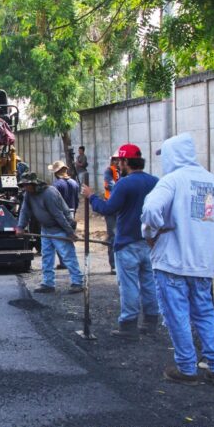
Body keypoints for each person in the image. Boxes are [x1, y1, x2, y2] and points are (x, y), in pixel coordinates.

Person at [142, 133, 214, 386]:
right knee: (204, 312)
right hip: (203, 261)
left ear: (173, 154)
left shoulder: (171, 180)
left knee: (177, 314)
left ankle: (186, 368)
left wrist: (152, 232)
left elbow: (150, 210)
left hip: (172, 260)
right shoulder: (211, 180)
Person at [82, 144, 159, 340]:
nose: (118, 164)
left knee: (129, 285)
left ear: (126, 162)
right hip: (150, 242)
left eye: (120, 161)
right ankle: (151, 321)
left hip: (126, 242)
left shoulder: (125, 184)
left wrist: (92, 197)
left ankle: (128, 324)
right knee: (149, 283)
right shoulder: (155, 182)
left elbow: (108, 209)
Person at [14, 172, 83, 294]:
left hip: (59, 228)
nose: (25, 188)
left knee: (68, 256)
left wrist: (70, 232)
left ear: (34, 184)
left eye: (26, 185)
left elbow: (59, 215)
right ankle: (48, 283)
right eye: (23, 185)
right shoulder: (28, 194)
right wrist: (20, 226)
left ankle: (77, 282)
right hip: (46, 229)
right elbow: (25, 211)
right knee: (47, 257)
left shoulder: (49, 193)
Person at [48, 160, 79, 270]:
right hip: (72, 212)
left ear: (56, 173)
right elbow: (77, 200)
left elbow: (54, 202)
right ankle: (69, 261)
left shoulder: (56, 185)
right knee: (69, 236)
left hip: (61, 213)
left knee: (59, 237)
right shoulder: (74, 183)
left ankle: (64, 262)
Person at [103, 152, 120, 274]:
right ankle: (113, 264)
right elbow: (110, 185)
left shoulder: (125, 172)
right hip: (111, 205)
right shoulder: (109, 171)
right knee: (113, 235)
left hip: (122, 205)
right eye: (116, 160)